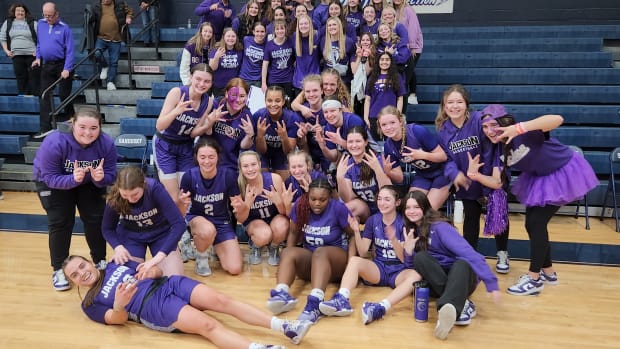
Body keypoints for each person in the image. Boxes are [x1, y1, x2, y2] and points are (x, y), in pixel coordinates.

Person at [475, 104, 598, 295]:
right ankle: (548, 272)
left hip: (562, 172)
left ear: (504, 122)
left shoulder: (523, 133)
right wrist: (475, 176)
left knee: (536, 222)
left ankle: (534, 279)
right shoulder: (496, 148)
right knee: (531, 224)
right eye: (485, 127)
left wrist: (519, 128)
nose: (489, 131)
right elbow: (497, 182)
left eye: (493, 125)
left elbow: (557, 118)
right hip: (539, 177)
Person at [62, 255, 312, 349]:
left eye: (82, 266)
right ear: (74, 283)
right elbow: (117, 320)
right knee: (208, 326)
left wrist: (151, 271)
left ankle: (284, 327)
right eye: (75, 275)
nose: (82, 273)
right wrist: (118, 304)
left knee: (222, 300)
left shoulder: (118, 262)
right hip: (151, 307)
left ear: (90, 262)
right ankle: (257, 348)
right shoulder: (91, 303)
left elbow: (156, 270)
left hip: (168, 283)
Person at [32, 107, 117, 291]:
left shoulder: (106, 143)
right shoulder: (54, 142)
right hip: (53, 183)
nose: (88, 132)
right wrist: (72, 179)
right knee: (61, 222)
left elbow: (111, 175)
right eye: (82, 127)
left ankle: (100, 261)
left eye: (93, 128)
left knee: (96, 220)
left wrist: (101, 177)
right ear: (73, 124)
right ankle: (59, 269)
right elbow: (50, 177)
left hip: (88, 181)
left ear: (100, 127)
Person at [402, 190, 501, 340]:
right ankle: (459, 304)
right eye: (408, 208)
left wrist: (490, 281)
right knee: (420, 258)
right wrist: (408, 252)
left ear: (425, 207)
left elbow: (469, 253)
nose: (411, 211)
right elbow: (412, 268)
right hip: (438, 280)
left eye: (416, 207)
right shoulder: (411, 231)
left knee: (461, 263)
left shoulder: (440, 227)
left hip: (461, 277)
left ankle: (446, 312)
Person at [319, 185, 422, 324]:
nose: (382, 203)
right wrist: (356, 231)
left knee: (415, 276)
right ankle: (341, 300)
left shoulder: (404, 222)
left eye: (387, 199)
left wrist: (393, 239)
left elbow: (404, 258)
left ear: (397, 202)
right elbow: (362, 251)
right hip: (379, 268)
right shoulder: (373, 220)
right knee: (355, 260)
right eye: (379, 199)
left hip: (399, 270)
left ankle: (381, 307)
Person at [435, 84, 510, 273]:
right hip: (468, 181)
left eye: (459, 102)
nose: (454, 106)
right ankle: (471, 256)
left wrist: (494, 171)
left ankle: (502, 253)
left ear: (466, 104)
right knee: (470, 219)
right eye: (450, 102)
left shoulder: (478, 119)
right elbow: (448, 159)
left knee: (498, 215)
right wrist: (455, 174)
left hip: (491, 175)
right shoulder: (443, 130)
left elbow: (496, 139)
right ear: (444, 107)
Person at [266, 178, 355, 324]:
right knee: (288, 252)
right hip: (312, 261)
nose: (317, 203)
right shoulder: (300, 206)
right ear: (308, 197)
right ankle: (282, 294)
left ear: (330, 198)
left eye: (322, 200)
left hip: (335, 261)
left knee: (321, 252)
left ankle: (315, 302)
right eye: (313, 199)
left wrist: (350, 265)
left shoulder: (338, 208)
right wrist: (285, 266)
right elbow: (294, 233)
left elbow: (354, 235)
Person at [102, 166, 185, 278]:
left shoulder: (154, 188)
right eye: (125, 195)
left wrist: (159, 257)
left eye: (134, 194)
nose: (130, 199)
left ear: (143, 184)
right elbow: (107, 228)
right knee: (128, 279)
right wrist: (118, 247)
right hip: (131, 236)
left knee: (174, 279)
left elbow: (179, 224)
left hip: (160, 234)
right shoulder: (115, 197)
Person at [178, 138, 243, 276]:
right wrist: (181, 203)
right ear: (196, 157)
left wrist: (243, 206)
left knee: (234, 268)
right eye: (202, 157)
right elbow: (181, 212)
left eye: (211, 157)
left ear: (218, 157)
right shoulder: (189, 177)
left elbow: (239, 211)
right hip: (197, 219)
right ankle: (201, 257)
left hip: (221, 221)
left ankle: (213, 244)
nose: (207, 161)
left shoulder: (228, 175)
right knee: (207, 230)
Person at [154, 63, 214, 203]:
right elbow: (159, 125)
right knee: (173, 196)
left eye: (206, 81)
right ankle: (173, 223)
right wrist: (176, 111)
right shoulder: (177, 92)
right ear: (191, 77)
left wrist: (209, 123)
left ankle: (183, 223)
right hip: (165, 145)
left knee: (186, 193)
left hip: (185, 147)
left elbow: (194, 133)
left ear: (211, 83)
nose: (201, 84)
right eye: (198, 79)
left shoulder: (208, 102)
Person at [378, 106, 451, 209]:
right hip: (423, 175)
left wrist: (423, 155)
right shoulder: (388, 146)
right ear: (380, 127)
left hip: (443, 172)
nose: (389, 127)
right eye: (384, 125)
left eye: (392, 122)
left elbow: (443, 157)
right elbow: (400, 178)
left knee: (427, 210)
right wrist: (388, 171)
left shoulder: (417, 131)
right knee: (410, 207)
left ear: (400, 121)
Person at [231, 151, 290, 266]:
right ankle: (255, 245)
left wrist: (278, 202)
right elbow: (241, 219)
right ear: (240, 168)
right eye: (246, 166)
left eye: (253, 164)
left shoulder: (275, 179)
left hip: (275, 219)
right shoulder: (237, 185)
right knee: (263, 235)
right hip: (253, 223)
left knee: (283, 226)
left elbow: (285, 213)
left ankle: (274, 247)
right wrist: (247, 204)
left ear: (259, 164)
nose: (250, 169)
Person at [32, 2, 75, 139]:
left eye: (50, 16)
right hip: (47, 65)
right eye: (45, 15)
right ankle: (45, 127)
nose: (48, 18)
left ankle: (71, 118)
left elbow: (70, 50)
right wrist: (38, 57)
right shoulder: (41, 24)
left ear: (57, 14)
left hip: (62, 65)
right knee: (44, 96)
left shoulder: (64, 28)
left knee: (64, 95)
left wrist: (67, 68)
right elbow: (39, 43)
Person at [334, 126, 391, 222]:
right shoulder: (347, 163)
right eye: (350, 142)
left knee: (354, 219)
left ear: (365, 142)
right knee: (347, 211)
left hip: (383, 206)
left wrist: (377, 169)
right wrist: (339, 179)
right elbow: (348, 199)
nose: (354, 145)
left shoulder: (377, 159)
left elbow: (389, 190)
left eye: (358, 141)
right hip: (364, 210)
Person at [202, 78, 255, 173]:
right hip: (208, 161)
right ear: (226, 94)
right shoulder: (215, 105)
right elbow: (206, 134)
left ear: (247, 96)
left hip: (231, 165)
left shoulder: (247, 115)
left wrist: (249, 135)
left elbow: (244, 146)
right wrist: (210, 122)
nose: (238, 100)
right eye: (234, 95)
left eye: (242, 96)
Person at [253, 86, 301, 179]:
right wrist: (260, 136)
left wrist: (284, 137)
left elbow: (288, 152)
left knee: (284, 181)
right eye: (269, 101)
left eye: (277, 101)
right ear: (265, 101)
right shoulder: (258, 116)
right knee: (263, 178)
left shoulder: (292, 118)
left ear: (283, 101)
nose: (273, 104)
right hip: (264, 153)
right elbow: (261, 151)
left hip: (282, 153)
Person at [90, 0, 133, 91]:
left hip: (116, 39)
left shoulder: (120, 4)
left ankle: (110, 82)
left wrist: (128, 17)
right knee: (96, 53)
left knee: (114, 62)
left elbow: (130, 11)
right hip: (101, 37)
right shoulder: (96, 6)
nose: (105, 0)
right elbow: (91, 18)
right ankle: (104, 66)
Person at [363, 52, 405, 140]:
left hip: (391, 116)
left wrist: (398, 115)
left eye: (387, 60)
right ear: (378, 62)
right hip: (374, 116)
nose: (384, 62)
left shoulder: (397, 77)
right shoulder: (372, 77)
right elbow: (367, 99)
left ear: (391, 62)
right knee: (375, 144)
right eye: (382, 59)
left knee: (391, 142)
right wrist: (366, 117)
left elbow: (400, 99)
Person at [0, 3, 39, 95]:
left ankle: (35, 97)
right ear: (14, 12)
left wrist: (38, 51)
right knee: (21, 77)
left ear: (25, 12)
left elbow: (42, 38)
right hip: (16, 55)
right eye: (18, 10)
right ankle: (23, 97)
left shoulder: (33, 23)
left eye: (22, 11)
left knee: (34, 77)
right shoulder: (8, 22)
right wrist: (6, 50)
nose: (20, 12)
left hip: (31, 54)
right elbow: (2, 38)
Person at [392, 0, 423, 104]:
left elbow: (413, 29)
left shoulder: (408, 10)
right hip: (400, 47)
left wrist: (412, 46)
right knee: (405, 70)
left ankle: (413, 94)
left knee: (410, 69)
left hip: (412, 47)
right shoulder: (392, 10)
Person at [262, 19, 295, 100]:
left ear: (285, 29)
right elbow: (265, 65)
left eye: (282, 28)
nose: (280, 31)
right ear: (274, 31)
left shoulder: (291, 42)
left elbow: (296, 60)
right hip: (274, 80)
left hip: (288, 80)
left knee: (288, 104)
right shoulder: (269, 45)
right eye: (277, 29)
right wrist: (263, 83)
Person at [208, 27, 243, 98]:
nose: (231, 38)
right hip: (219, 87)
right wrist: (216, 57)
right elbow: (211, 68)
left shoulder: (240, 50)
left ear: (236, 38)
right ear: (224, 37)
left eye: (233, 36)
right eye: (228, 36)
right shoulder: (216, 49)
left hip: (233, 86)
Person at [291, 14, 320, 94]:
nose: (303, 26)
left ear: (310, 24)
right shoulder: (294, 37)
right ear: (298, 26)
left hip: (314, 79)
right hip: (299, 81)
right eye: (301, 24)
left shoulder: (316, 36)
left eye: (306, 23)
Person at [239, 22, 267, 89]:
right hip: (244, 77)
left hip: (257, 80)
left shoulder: (267, 45)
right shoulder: (246, 40)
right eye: (257, 31)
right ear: (253, 32)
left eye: (262, 31)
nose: (259, 34)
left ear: (266, 32)